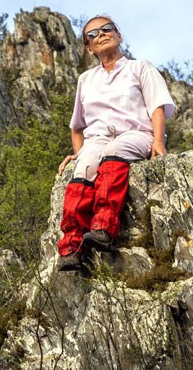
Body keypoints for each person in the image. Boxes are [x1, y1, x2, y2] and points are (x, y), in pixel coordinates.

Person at [56, 14, 176, 270]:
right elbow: (77, 126)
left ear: (118, 35)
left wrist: (158, 141)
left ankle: (103, 227)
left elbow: (156, 106)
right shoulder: (86, 80)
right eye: (92, 34)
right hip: (97, 139)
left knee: (114, 150)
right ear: (89, 48)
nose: (100, 34)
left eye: (106, 29)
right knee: (85, 167)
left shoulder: (140, 67)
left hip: (136, 134)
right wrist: (79, 153)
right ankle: (72, 247)